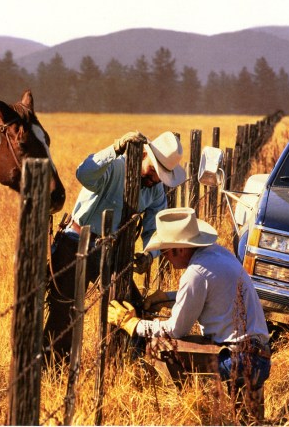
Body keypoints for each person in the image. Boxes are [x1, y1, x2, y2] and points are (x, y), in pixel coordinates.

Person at [108, 207, 271, 422]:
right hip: (259, 356)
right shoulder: (217, 253)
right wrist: (166, 297)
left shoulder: (195, 273)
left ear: (179, 249)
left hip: (238, 359)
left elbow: (175, 329)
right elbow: (208, 292)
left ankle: (194, 412)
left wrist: (134, 324)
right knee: (246, 420)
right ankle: (245, 412)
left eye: (165, 252)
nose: (165, 258)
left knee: (158, 348)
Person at [44, 130, 186, 363]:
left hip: (113, 252)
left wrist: (148, 254)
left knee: (130, 304)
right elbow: (84, 174)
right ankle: (52, 365)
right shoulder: (115, 167)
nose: (154, 180)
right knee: (65, 310)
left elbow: (154, 229)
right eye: (152, 172)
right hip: (76, 242)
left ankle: (124, 360)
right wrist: (115, 147)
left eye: (160, 177)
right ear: (142, 155)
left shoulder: (155, 189)